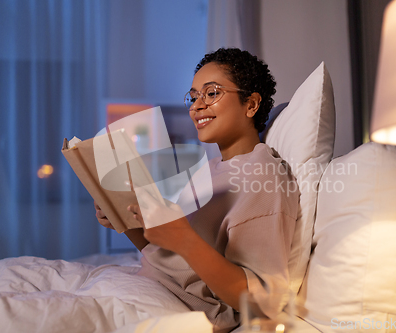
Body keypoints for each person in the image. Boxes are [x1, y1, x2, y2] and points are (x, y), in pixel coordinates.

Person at [95, 48, 299, 332]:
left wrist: (183, 239)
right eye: (193, 96)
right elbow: (174, 259)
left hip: (184, 307)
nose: (196, 106)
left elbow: (261, 300)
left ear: (251, 104)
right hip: (154, 285)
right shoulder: (211, 169)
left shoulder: (263, 174)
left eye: (211, 93)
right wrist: (125, 220)